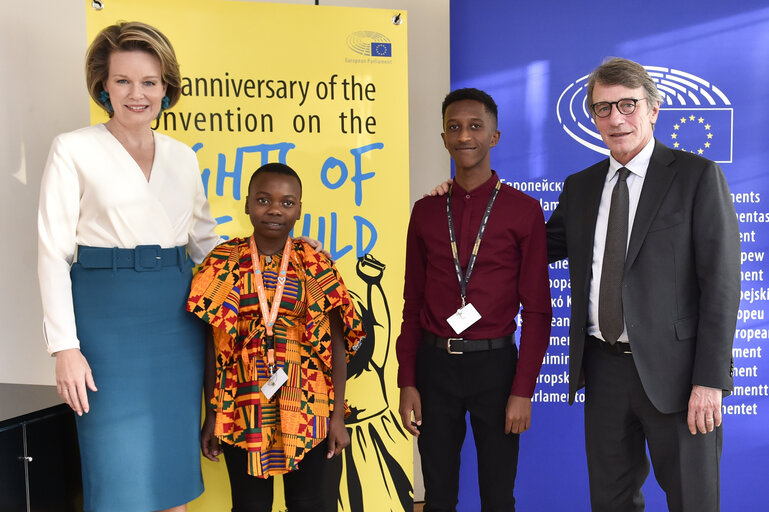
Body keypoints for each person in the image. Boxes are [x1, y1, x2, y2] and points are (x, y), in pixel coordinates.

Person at [37, 22, 220, 511]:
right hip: (104, 322)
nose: (136, 94)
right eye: (123, 81)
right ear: (103, 85)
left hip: (176, 319)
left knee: (172, 473)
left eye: (149, 82)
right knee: (116, 477)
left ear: (166, 87)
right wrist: (65, 348)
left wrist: (274, 257)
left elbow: (206, 242)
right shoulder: (72, 148)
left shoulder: (183, 157)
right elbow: (52, 252)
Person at [546, 58, 740, 511]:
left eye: (627, 105)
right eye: (602, 108)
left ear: (654, 110)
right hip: (603, 370)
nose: (615, 118)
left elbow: (722, 285)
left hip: (679, 377)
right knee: (610, 502)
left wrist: (709, 380)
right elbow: (531, 244)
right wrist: (467, 198)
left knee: (694, 500)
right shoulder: (581, 187)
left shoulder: (696, 177)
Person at [396, 88, 552, 511]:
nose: (464, 136)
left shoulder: (524, 211)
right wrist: (407, 379)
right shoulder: (425, 211)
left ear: (494, 136)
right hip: (435, 368)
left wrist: (523, 390)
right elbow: (412, 302)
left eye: (475, 126)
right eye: (454, 127)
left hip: (495, 370)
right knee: (439, 494)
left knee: (498, 496)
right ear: (444, 137)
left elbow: (538, 312)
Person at [189, 163, 366, 512]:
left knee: (308, 502)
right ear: (247, 204)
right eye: (263, 199)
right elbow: (213, 345)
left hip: (309, 402)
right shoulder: (224, 262)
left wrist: (337, 417)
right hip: (244, 402)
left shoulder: (314, 262)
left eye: (287, 203)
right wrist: (212, 415)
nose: (274, 209)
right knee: (250, 505)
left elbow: (336, 344)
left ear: (299, 209)